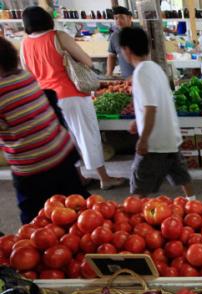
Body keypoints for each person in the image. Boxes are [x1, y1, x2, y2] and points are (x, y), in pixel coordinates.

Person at [20, 6, 124, 190]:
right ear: (46, 19)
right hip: (71, 94)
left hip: (47, 99)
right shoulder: (58, 36)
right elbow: (87, 61)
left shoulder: (25, 43)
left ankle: (79, 178)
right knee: (87, 136)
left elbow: (28, 74)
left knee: (66, 141)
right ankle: (104, 178)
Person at [0, 38, 88, 224]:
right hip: (62, 153)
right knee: (80, 211)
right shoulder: (25, 77)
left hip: (34, 168)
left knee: (35, 223)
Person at [118, 27, 194, 198]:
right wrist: (138, 122)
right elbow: (156, 102)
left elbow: (151, 108)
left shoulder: (141, 73)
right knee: (181, 176)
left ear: (127, 50)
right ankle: (193, 204)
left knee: (139, 184)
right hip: (170, 137)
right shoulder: (155, 68)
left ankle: (134, 217)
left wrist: (143, 139)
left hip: (154, 143)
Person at [107, 6, 135, 78]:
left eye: (121, 17)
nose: (118, 21)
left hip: (141, 77)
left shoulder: (138, 34)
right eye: (116, 18)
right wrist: (109, 74)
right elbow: (111, 56)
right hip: (125, 79)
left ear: (129, 18)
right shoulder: (114, 36)